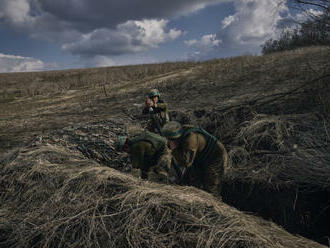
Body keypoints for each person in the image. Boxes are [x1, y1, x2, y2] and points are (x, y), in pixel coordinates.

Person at [161, 121, 228, 197]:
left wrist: (174, 150)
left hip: (215, 157)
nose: (168, 141)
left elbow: (186, 162)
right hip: (200, 158)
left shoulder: (191, 139)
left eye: (170, 139)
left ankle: (214, 205)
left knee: (211, 186)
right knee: (192, 182)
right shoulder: (179, 137)